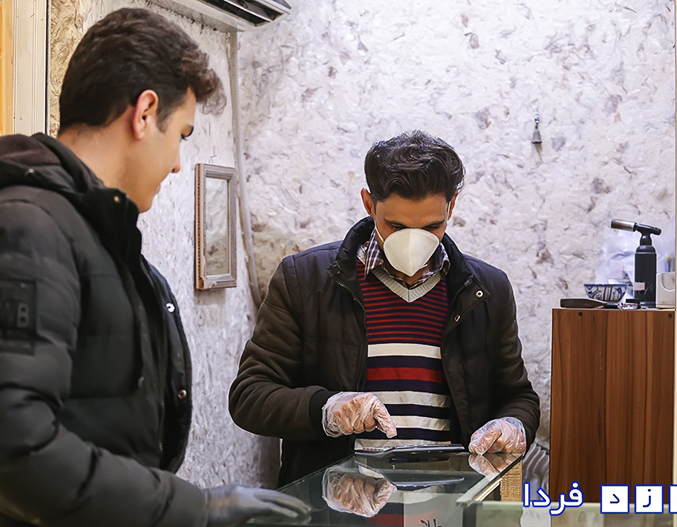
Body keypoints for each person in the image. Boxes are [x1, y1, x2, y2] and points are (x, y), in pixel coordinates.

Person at [0, 8, 308, 527]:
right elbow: (10, 450)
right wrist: (194, 509)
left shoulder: (91, 233)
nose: (177, 163)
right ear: (144, 113)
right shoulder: (22, 231)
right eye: (182, 135)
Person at [229, 130, 540, 485]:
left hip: (448, 502)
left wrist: (512, 426)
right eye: (396, 226)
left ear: (451, 206)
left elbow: (518, 397)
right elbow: (250, 396)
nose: (413, 243)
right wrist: (325, 409)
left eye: (432, 226)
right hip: (337, 504)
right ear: (368, 203)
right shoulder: (304, 281)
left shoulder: (487, 290)